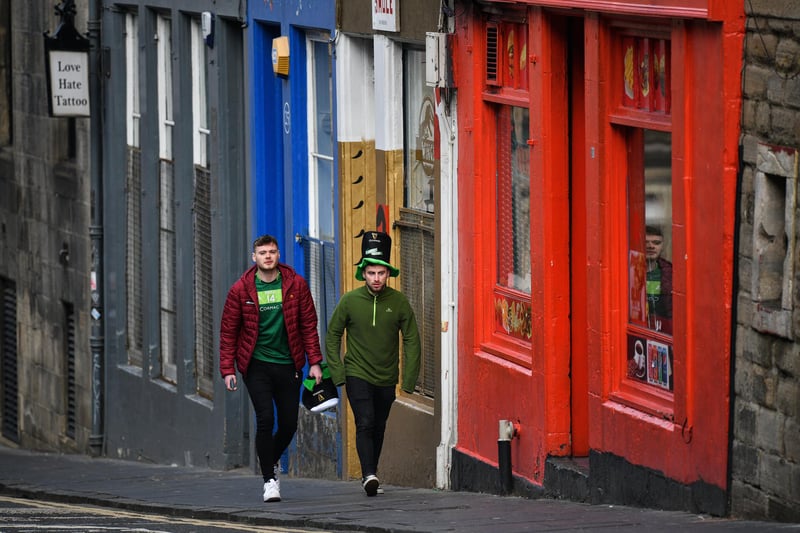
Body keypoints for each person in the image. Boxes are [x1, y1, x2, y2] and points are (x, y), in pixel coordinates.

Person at [219, 234, 323, 503]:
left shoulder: (296, 285)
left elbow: (308, 325)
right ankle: (269, 480)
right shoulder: (241, 289)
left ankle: (270, 458)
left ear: (278, 255)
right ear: (254, 257)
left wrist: (315, 362)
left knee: (289, 423)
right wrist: (227, 369)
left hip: (289, 363)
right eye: (262, 252)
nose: (268, 256)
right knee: (265, 418)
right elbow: (229, 332)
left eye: (272, 252)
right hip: (256, 366)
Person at [325, 231, 421, 497]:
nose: (376, 278)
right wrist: (338, 372)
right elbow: (332, 335)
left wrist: (409, 379)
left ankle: (371, 471)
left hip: (387, 376)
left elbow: (412, 339)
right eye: (371, 273)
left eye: (381, 273)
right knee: (365, 421)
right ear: (363, 274)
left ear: (388, 274)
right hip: (357, 372)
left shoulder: (399, 303)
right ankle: (369, 475)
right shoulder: (349, 301)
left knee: (378, 426)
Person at [645, 225, 673, 335]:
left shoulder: (670, 272)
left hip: (664, 331)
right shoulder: (629, 271)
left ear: (662, 246)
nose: (651, 246)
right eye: (646, 242)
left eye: (656, 243)